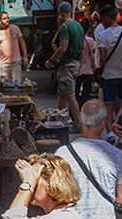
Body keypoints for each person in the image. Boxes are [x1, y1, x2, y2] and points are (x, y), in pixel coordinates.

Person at [96, 4, 122, 140]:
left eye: (102, 19)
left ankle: (110, 133)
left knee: (108, 106)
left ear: (107, 18)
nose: (102, 22)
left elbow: (102, 60)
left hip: (108, 76)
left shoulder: (102, 36)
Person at [45, 1, 84, 129]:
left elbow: (62, 47)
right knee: (62, 92)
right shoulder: (78, 26)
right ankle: (56, 118)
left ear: (60, 12)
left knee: (70, 94)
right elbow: (83, 47)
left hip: (67, 63)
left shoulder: (65, 27)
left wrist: (51, 60)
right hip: (76, 62)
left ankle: (78, 123)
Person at [0, 12, 28, 83]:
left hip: (16, 62)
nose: (7, 20)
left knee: (17, 84)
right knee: (3, 85)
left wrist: (25, 57)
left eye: (8, 18)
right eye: (4, 18)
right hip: (3, 64)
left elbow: (22, 43)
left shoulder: (15, 28)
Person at [75, 18, 97, 110]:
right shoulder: (90, 41)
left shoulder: (76, 40)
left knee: (75, 93)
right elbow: (92, 57)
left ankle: (74, 112)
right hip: (88, 70)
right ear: (89, 28)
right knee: (85, 94)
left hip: (77, 70)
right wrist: (94, 68)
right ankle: (83, 111)